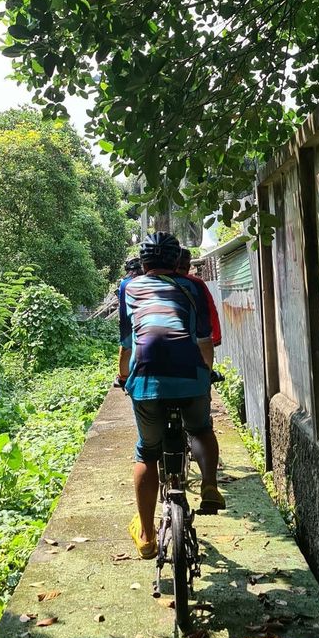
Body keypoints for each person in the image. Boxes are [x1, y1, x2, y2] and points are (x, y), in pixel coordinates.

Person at [119, 231, 225, 559]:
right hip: (190, 376)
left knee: (147, 452)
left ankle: (147, 535)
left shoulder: (129, 287)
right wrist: (205, 376)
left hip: (146, 380)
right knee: (201, 429)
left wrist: (123, 377)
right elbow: (204, 341)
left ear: (144, 262)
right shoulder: (193, 287)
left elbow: (127, 343)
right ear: (177, 260)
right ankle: (209, 485)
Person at [176, 248, 222, 348]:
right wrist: (216, 338)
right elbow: (211, 310)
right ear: (188, 266)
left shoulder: (160, 282)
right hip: (195, 340)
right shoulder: (196, 283)